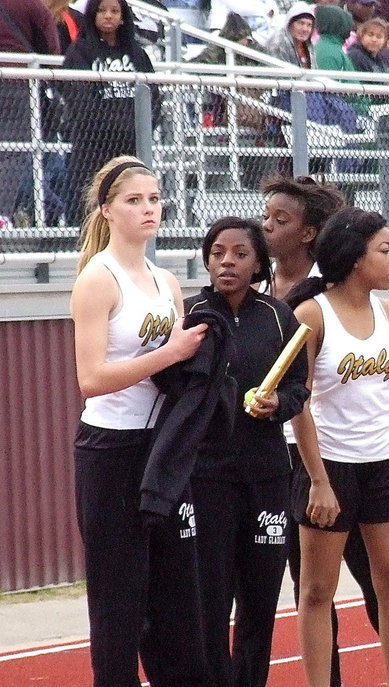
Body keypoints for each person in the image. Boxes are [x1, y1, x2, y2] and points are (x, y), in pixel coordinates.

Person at [261, 175, 389, 687]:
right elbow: (298, 403)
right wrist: (319, 480)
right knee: (316, 590)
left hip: (386, 464)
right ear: (357, 258)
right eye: (385, 249)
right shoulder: (310, 314)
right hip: (329, 467)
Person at [70, 155, 211, 687]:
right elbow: (91, 378)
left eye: (154, 199)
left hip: (163, 448)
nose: (148, 209)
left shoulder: (166, 280)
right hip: (110, 450)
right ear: (108, 211)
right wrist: (170, 354)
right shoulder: (96, 280)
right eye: (134, 200)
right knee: (118, 600)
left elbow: (177, 373)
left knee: (176, 595)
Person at [186, 216, 310, 687]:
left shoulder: (280, 317)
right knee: (210, 602)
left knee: (258, 603)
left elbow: (299, 388)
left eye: (239, 253)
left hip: (266, 479)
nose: (227, 262)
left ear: (259, 261)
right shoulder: (192, 313)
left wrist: (278, 402)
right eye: (218, 253)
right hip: (207, 478)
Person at [60, 0, 160, 226]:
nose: (108, 16)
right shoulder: (80, 52)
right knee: (92, 210)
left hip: (131, 147)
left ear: (123, 16)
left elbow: (153, 96)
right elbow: (76, 97)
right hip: (91, 148)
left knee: (130, 204)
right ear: (92, 15)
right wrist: (107, 127)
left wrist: (140, 128)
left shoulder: (137, 54)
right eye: (102, 11)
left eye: (115, 11)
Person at [0, 0, 60, 225]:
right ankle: (1, 215)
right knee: (13, 152)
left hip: (18, 83)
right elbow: (52, 50)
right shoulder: (31, 5)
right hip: (18, 83)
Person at [262, 1, 316, 68]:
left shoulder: (307, 45)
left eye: (309, 25)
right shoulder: (278, 43)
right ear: (290, 24)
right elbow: (280, 75)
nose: (305, 29)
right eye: (301, 23)